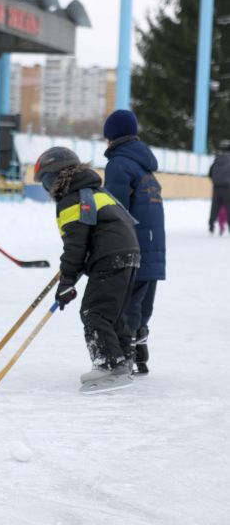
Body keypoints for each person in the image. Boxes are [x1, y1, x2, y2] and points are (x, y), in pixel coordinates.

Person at [33, 146, 140, 388]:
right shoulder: (94, 192)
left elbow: (76, 247)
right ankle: (123, 362)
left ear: (59, 176)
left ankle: (110, 365)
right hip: (128, 255)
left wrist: (67, 281)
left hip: (110, 257)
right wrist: (70, 276)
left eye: (47, 180)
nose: (48, 188)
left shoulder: (72, 198)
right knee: (113, 313)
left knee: (94, 312)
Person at [102, 109, 166, 374]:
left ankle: (125, 356)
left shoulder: (119, 164)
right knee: (141, 301)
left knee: (126, 301)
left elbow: (115, 211)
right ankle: (139, 352)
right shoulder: (145, 166)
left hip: (133, 246)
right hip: (153, 247)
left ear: (112, 136)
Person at [208, 148, 230, 234]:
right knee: (228, 207)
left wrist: (216, 181)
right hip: (227, 187)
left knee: (215, 207)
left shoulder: (216, 161)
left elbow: (210, 174)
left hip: (216, 187)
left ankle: (211, 225)